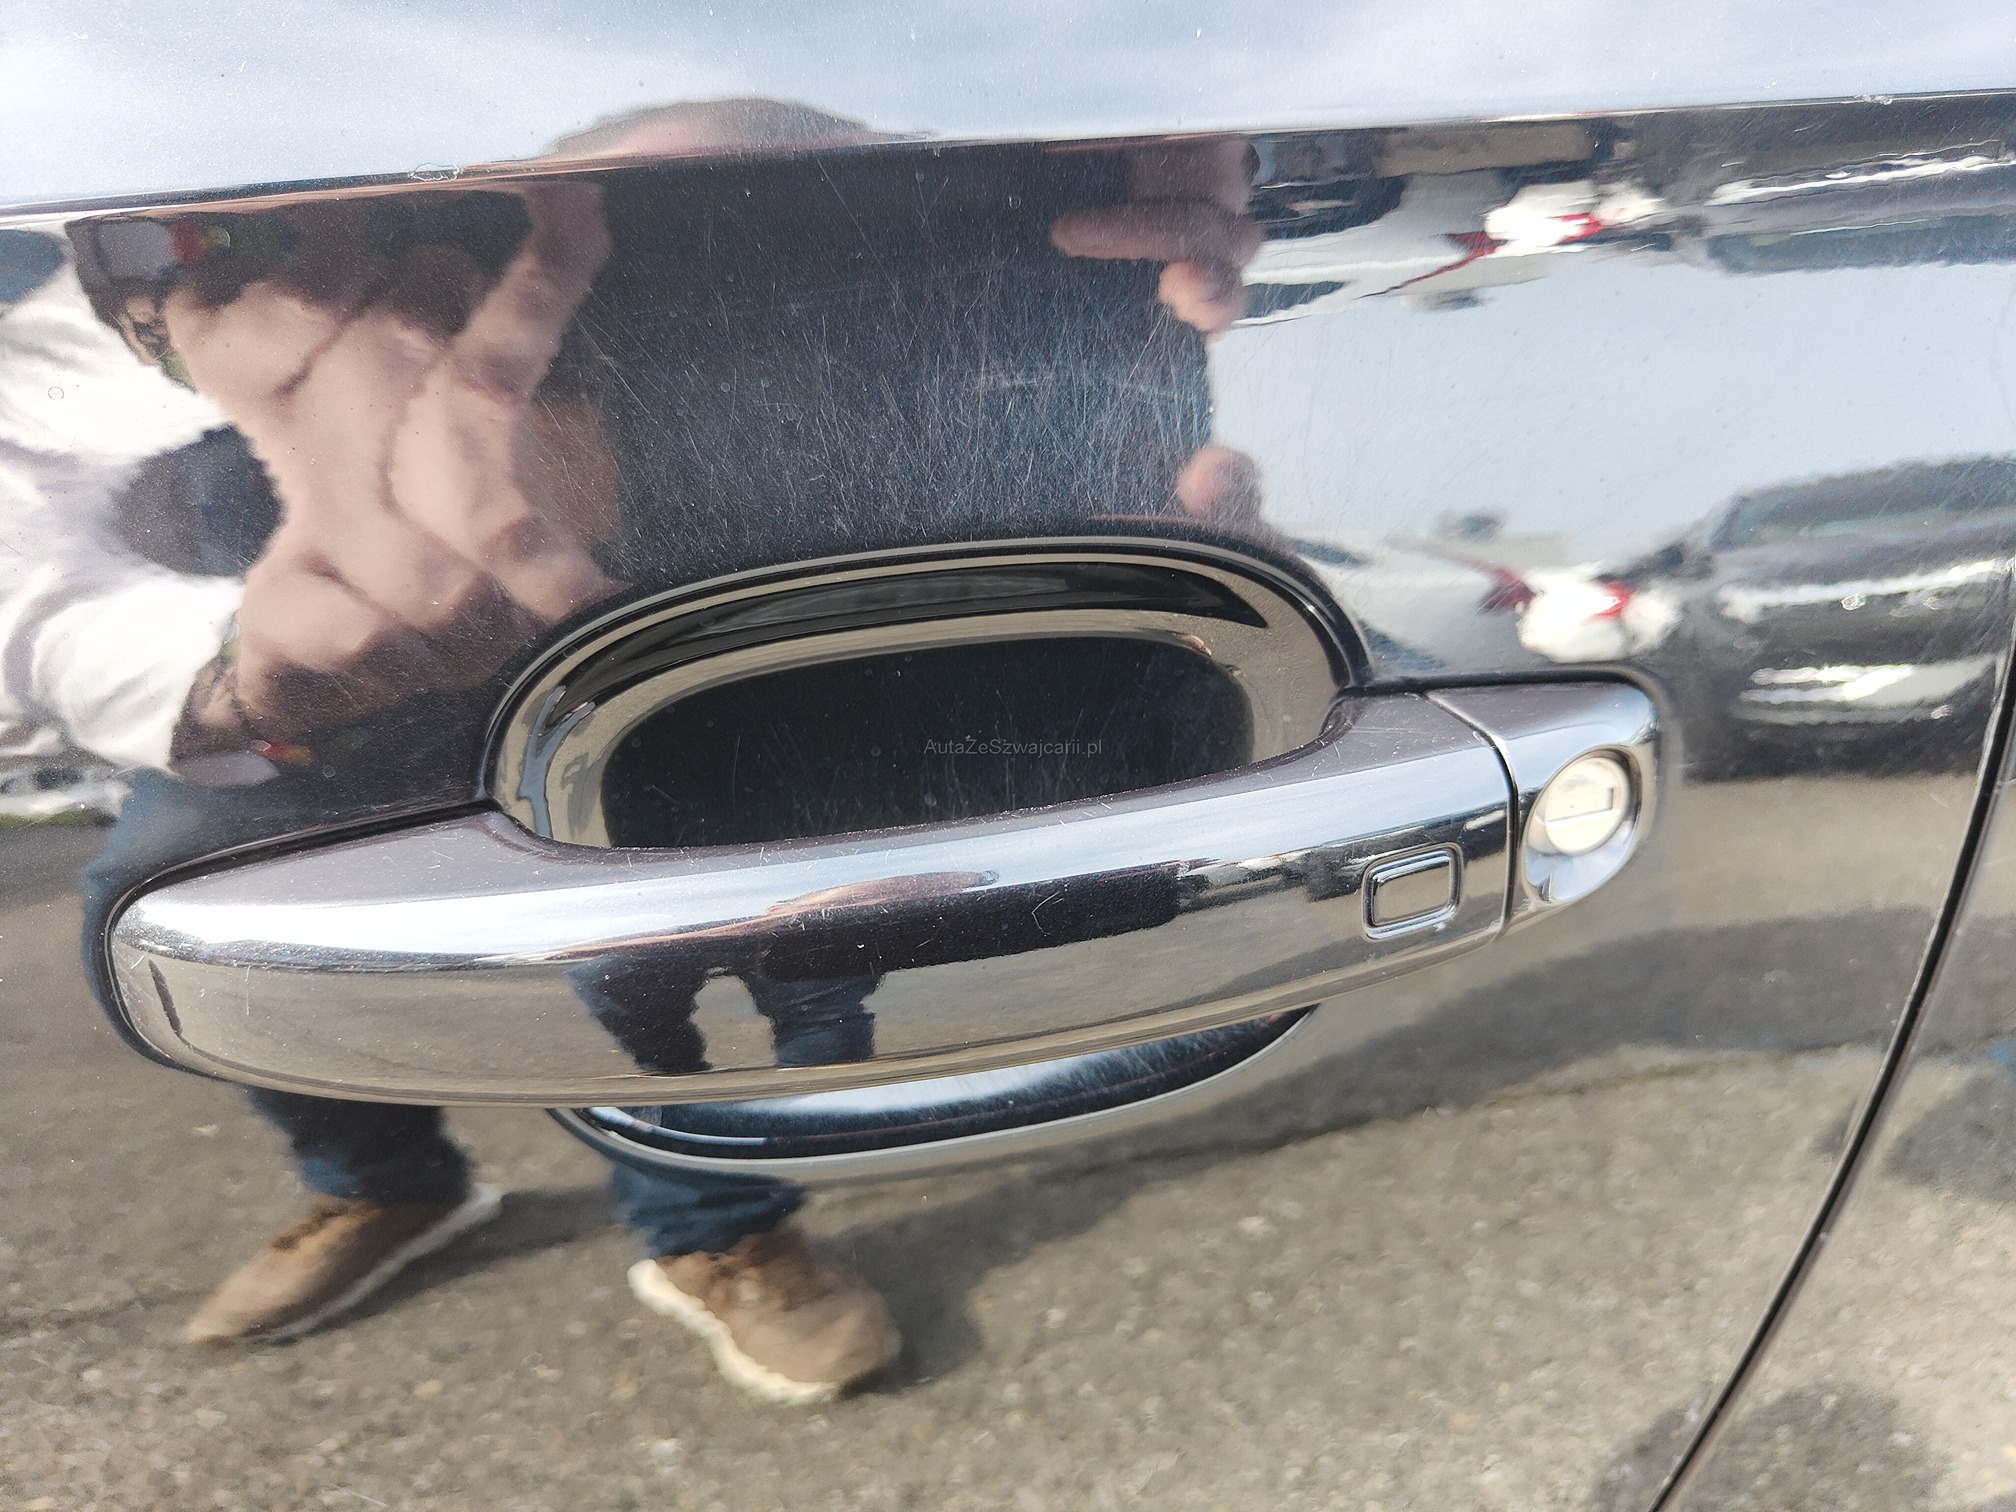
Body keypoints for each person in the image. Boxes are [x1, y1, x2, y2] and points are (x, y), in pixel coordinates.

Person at [3, 110, 1261, 1403]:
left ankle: (716, 1229)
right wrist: (227, 683)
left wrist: (1081, 152)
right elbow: (35, 449)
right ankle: (384, 1185)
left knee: (696, 944)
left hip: (716, 576)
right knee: (166, 904)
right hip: (299, 615)